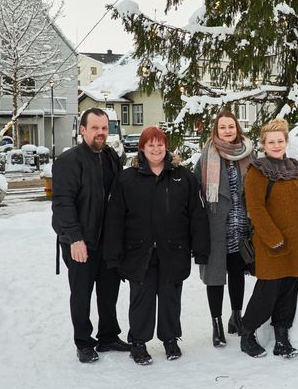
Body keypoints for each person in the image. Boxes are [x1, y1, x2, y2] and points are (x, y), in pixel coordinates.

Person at [104, 126, 209, 365]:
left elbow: (197, 214)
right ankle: (138, 342)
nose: (156, 148)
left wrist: (201, 249)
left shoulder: (183, 177)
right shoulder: (127, 178)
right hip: (139, 252)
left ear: (166, 146)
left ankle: (170, 338)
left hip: (174, 251)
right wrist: (113, 254)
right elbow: (115, 218)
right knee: (142, 298)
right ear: (142, 148)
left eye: (160, 143)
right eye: (150, 144)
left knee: (171, 297)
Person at [240, 118, 298, 359]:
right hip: (272, 247)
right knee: (267, 293)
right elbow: (255, 209)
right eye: (271, 141)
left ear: (286, 142)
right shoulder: (258, 171)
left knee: (289, 292)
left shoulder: (294, 169)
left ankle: (282, 338)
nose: (276, 145)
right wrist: (273, 238)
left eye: (280, 140)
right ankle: (247, 333)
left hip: (296, 245)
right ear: (263, 144)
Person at [51, 108, 129, 363]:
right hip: (80, 242)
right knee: (82, 294)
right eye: (95, 128)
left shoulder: (110, 157)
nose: (100, 133)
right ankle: (84, 342)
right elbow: (62, 203)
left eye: (104, 128)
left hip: (108, 241)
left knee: (109, 293)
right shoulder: (69, 161)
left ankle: (108, 336)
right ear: (82, 130)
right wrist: (74, 238)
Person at [195, 110, 255, 348]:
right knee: (215, 277)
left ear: (237, 129)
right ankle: (217, 323)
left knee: (237, 273)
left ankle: (236, 316)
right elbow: (196, 191)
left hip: (240, 226)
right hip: (215, 225)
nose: (227, 131)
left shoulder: (247, 155)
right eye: (223, 127)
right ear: (216, 131)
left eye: (231, 126)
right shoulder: (207, 155)